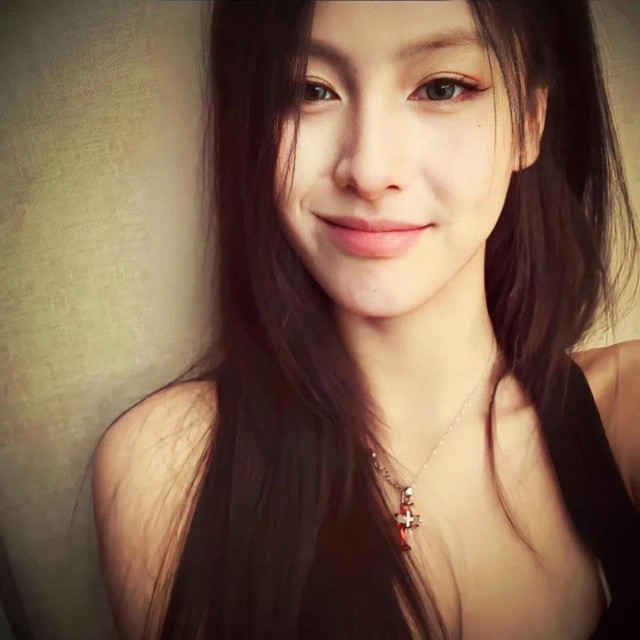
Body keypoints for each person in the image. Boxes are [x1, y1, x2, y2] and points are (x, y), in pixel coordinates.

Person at [91, 1, 640, 638]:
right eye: (307, 90)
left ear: (530, 122)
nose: (370, 171)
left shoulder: (625, 411)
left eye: (442, 88)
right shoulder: (167, 469)